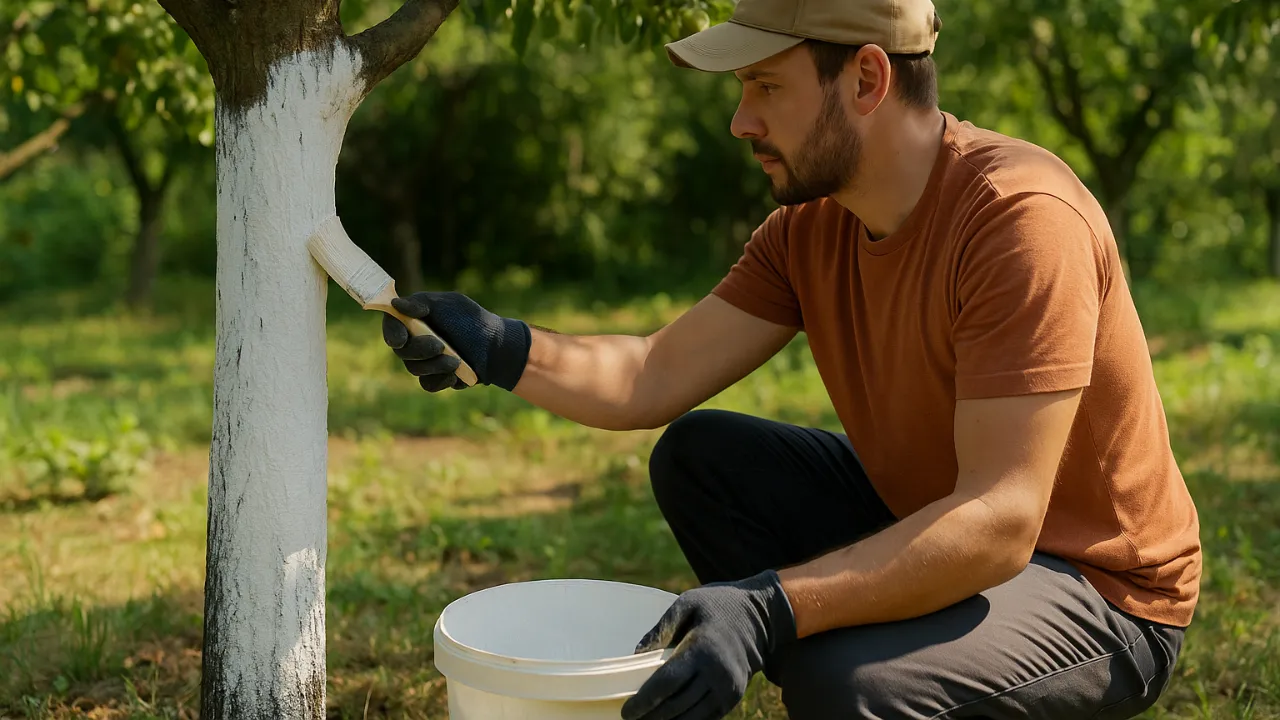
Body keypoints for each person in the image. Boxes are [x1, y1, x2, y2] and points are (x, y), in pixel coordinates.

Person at [380, 0, 1203, 716]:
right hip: (937, 517)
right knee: (703, 460)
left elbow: (999, 523)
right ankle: (851, 657)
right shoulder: (811, 229)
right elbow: (649, 375)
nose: (741, 121)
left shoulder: (1020, 220)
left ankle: (868, 676)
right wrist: (497, 345)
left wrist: (771, 609)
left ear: (867, 80)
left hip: (1100, 592)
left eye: (765, 86)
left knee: (856, 691)